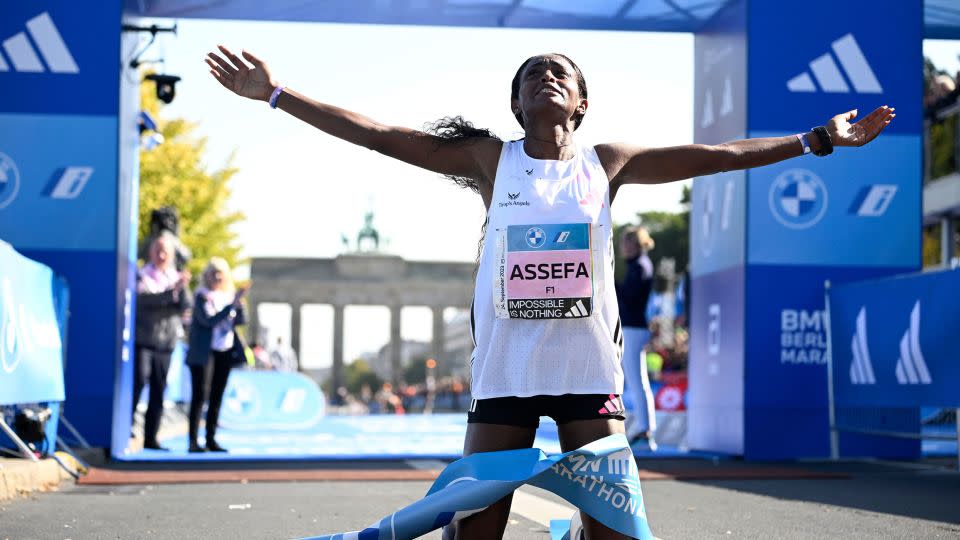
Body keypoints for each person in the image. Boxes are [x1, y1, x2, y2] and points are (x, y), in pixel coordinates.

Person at [205, 45, 894, 539]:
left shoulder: (607, 163)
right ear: (516, 103)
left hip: (588, 373)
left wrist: (813, 141)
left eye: (559, 72)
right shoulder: (490, 160)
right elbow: (384, 137)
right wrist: (274, 94)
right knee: (475, 531)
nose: (545, 77)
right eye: (531, 74)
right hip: (506, 374)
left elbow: (714, 158)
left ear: (581, 102)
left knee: (615, 531)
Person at [133, 231, 192, 451]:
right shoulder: (142, 275)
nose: (161, 254)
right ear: (151, 253)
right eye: (157, 250)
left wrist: (181, 287)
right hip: (144, 339)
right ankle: (127, 427)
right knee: (139, 382)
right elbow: (145, 302)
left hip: (166, 343)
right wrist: (169, 294)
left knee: (159, 390)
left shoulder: (174, 277)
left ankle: (151, 437)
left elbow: (184, 305)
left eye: (165, 251)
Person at [185, 257, 247, 453]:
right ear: (207, 276)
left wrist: (239, 305)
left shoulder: (229, 296)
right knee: (199, 395)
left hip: (225, 350)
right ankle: (193, 440)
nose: (217, 277)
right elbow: (208, 321)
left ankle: (211, 438)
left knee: (217, 395)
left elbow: (240, 322)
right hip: (204, 352)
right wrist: (230, 307)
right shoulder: (201, 296)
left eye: (221, 273)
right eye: (213, 273)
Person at [616, 226, 658, 451]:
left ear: (635, 244)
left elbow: (630, 298)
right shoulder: (639, 265)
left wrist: (610, 283)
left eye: (626, 242)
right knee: (636, 381)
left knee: (637, 381)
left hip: (633, 328)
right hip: (632, 327)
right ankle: (644, 429)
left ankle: (645, 431)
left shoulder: (640, 266)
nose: (623, 247)